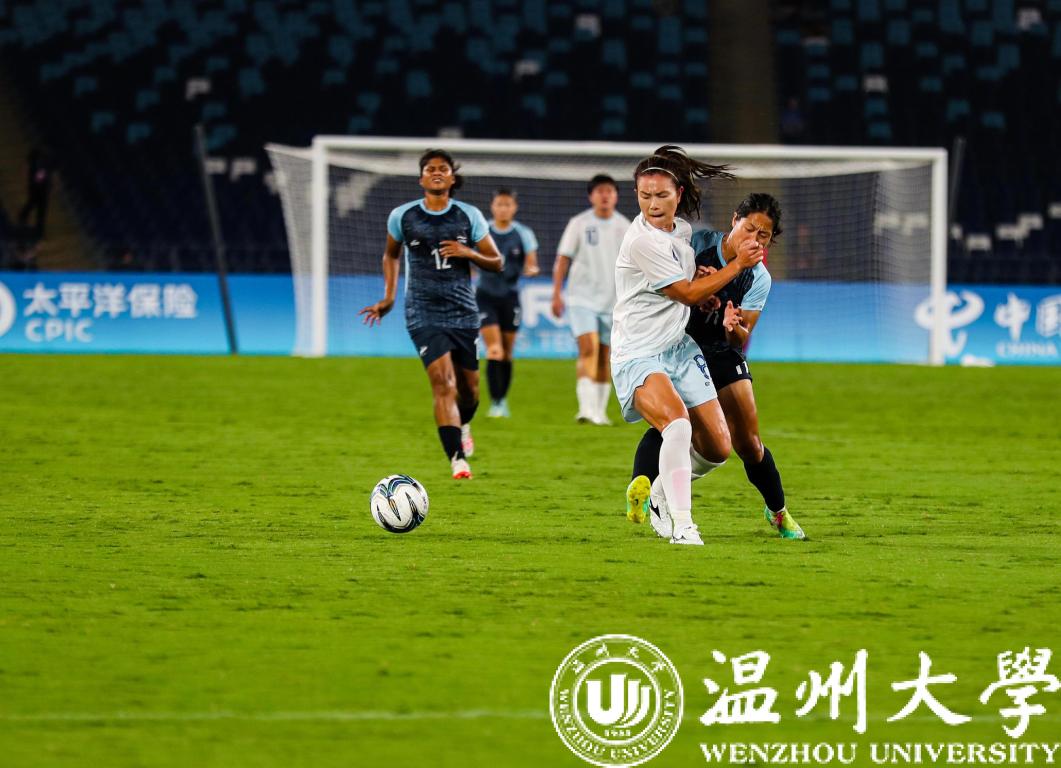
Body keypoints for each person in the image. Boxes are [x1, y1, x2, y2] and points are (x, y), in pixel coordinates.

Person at [626, 193, 807, 540]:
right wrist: (696, 279)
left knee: (749, 443)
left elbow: (742, 337)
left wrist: (732, 325)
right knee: (674, 422)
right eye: (750, 228)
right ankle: (645, 490)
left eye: (764, 236)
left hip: (722, 352)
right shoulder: (697, 244)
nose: (755, 240)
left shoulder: (759, 278)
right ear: (735, 219)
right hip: (681, 346)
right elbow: (670, 286)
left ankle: (777, 512)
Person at [611, 146, 763, 545]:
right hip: (639, 352)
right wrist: (735, 267)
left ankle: (659, 493)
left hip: (678, 347)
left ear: (678, 194)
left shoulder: (679, 232)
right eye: (644, 195)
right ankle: (683, 525)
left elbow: (688, 287)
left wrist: (703, 286)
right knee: (677, 423)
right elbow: (685, 293)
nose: (652, 204)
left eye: (661, 195)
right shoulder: (641, 241)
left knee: (718, 448)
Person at [359, 149, 502, 479]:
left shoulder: (469, 216)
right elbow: (390, 255)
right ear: (421, 178)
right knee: (443, 383)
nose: (436, 172)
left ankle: (463, 425)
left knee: (470, 391)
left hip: (463, 312)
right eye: (430, 169)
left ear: (452, 177)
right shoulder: (403, 216)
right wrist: (389, 297)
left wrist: (467, 252)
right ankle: (457, 460)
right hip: (422, 312)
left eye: (443, 168)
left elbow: (497, 262)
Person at [552, 174, 630, 425]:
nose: (605, 195)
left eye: (609, 191)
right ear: (591, 196)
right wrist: (556, 293)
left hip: (613, 301)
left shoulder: (625, 227)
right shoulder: (579, 223)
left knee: (605, 355)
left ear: (616, 196)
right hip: (581, 298)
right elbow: (563, 258)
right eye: (599, 191)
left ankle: (599, 412)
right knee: (588, 348)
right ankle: (585, 409)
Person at [476, 188, 540, 417]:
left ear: (514, 208)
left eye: (507, 204)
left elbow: (532, 264)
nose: (503, 209)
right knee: (494, 350)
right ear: (492, 207)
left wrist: (531, 270)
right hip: (485, 296)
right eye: (499, 204)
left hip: (510, 297)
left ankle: (502, 400)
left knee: (506, 352)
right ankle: (496, 403)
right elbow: (469, 257)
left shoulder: (523, 233)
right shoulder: (482, 230)